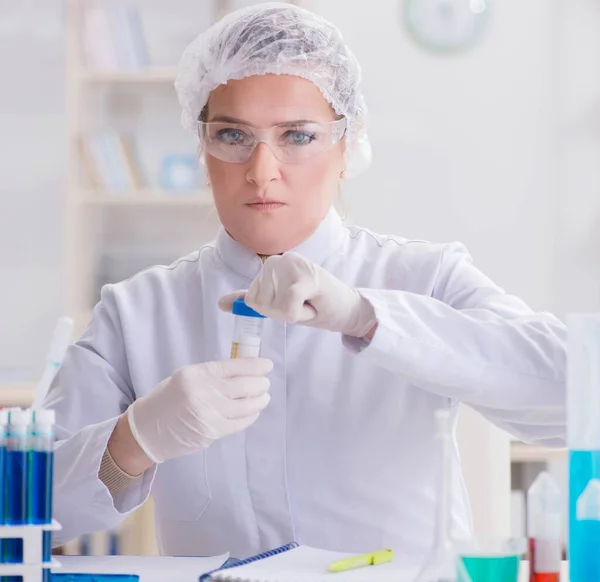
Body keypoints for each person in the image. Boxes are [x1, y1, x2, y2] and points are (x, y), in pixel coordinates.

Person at [47, 1, 566, 563]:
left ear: (348, 144)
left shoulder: (424, 277)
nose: (262, 170)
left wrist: (369, 316)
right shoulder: (140, 311)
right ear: (201, 148)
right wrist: (130, 443)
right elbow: (21, 513)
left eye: (297, 135)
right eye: (232, 135)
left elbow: (572, 397)